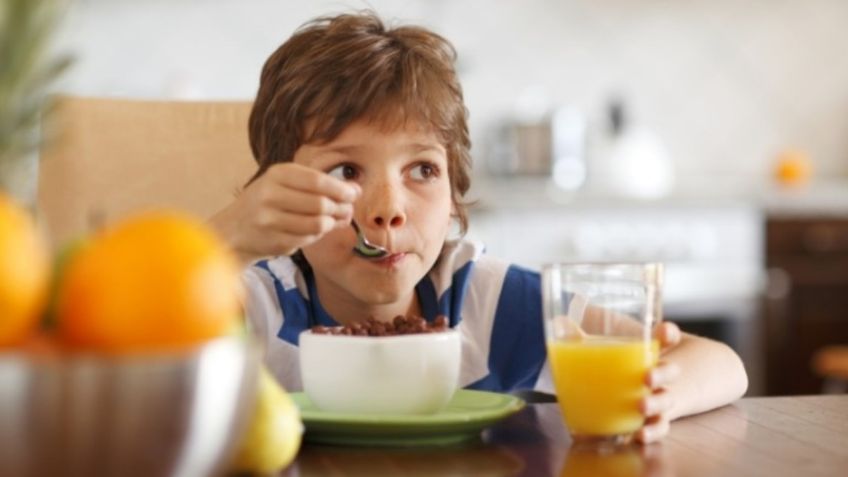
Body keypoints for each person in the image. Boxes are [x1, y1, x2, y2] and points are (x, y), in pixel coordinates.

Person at [209, 11, 748, 443]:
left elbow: (722, 364)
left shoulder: (484, 300)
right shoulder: (258, 305)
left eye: (422, 170)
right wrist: (227, 238)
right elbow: (124, 342)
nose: (388, 209)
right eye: (346, 171)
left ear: (454, 194)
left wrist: (662, 393)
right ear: (277, 187)